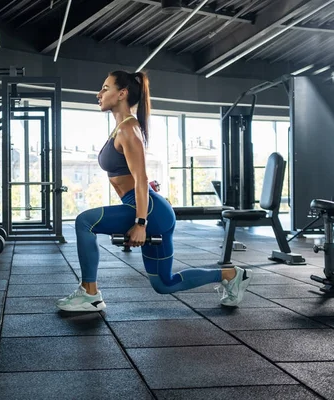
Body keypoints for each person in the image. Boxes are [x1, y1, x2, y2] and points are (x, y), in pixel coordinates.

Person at [56, 70, 253, 312]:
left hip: (147, 211)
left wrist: (140, 223)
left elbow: (141, 179)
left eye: (105, 88)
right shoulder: (121, 128)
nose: (99, 94)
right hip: (150, 209)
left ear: (122, 94)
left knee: (84, 221)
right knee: (164, 283)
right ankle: (231, 274)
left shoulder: (129, 129)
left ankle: (90, 293)